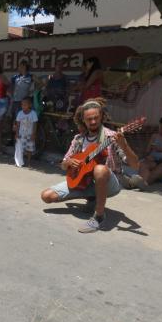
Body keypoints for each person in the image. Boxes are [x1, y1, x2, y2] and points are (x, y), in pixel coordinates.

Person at [40, 98, 139, 233]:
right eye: (89, 119)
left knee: (99, 169)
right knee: (47, 196)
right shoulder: (78, 139)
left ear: (102, 117)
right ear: (83, 120)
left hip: (110, 183)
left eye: (96, 118)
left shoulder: (112, 137)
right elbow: (63, 165)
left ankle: (99, 216)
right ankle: (92, 197)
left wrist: (124, 145)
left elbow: (135, 165)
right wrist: (68, 163)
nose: (93, 122)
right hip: (84, 182)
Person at [128, 115, 162, 189]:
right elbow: (147, 152)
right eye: (161, 127)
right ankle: (138, 184)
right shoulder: (155, 136)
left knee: (159, 169)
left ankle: (140, 184)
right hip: (154, 159)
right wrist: (147, 156)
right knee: (143, 165)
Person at [15, 97, 38, 167]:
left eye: (25, 104)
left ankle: (28, 162)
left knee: (29, 149)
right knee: (20, 148)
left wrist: (33, 134)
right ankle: (19, 161)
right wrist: (16, 133)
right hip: (21, 134)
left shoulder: (33, 113)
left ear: (30, 105)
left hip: (30, 134)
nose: (23, 106)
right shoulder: (20, 113)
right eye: (22, 104)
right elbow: (17, 124)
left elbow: (35, 124)